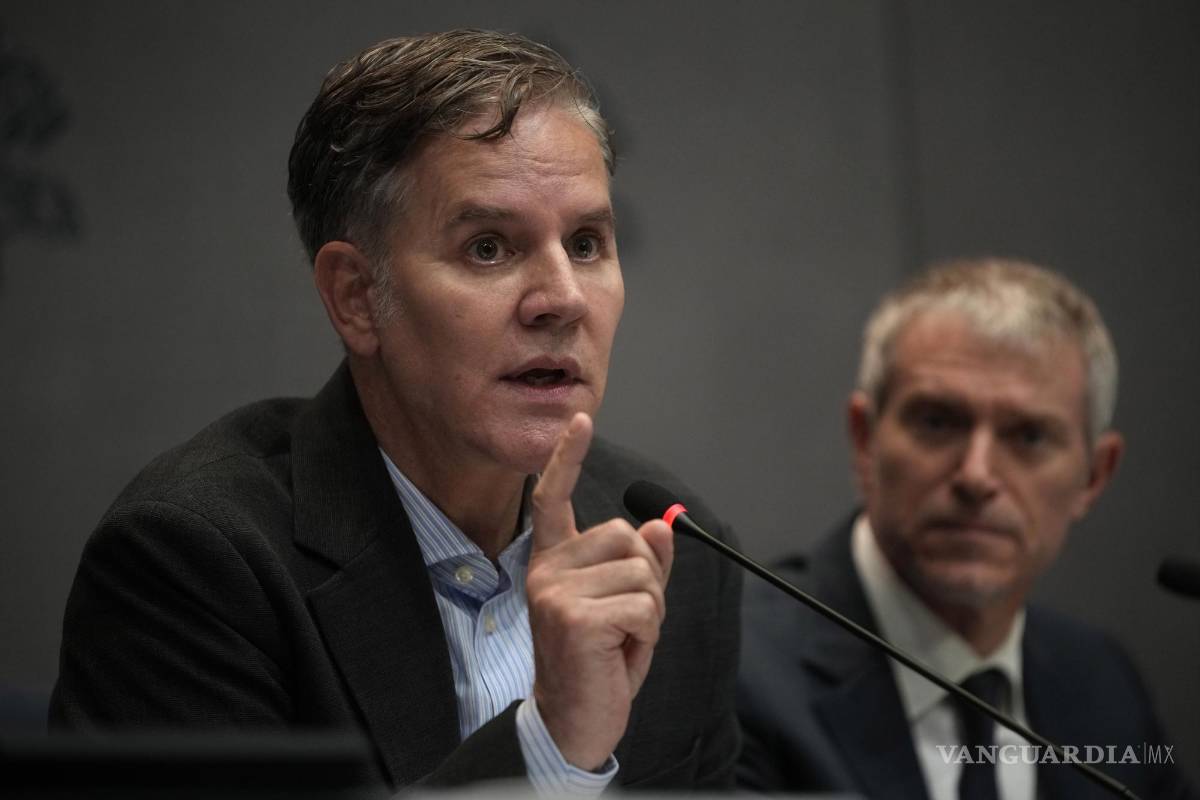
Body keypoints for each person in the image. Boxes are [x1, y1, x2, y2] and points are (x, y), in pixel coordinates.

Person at [50, 29, 740, 793]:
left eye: (586, 243)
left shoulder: (680, 558)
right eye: (488, 248)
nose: (563, 299)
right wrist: (549, 747)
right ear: (356, 297)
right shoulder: (197, 563)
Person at [737, 259, 1192, 799]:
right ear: (865, 439)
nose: (977, 475)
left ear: (1093, 476)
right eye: (938, 422)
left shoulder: (1102, 685)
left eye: (1028, 436)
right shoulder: (738, 666)